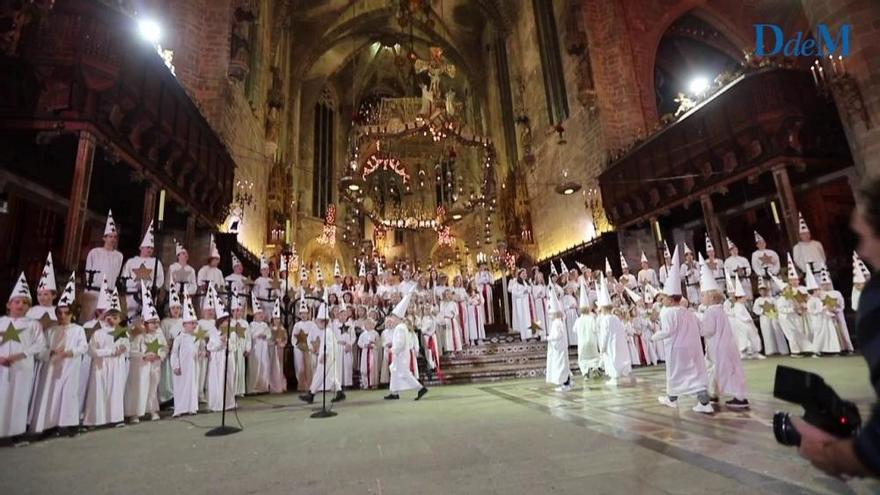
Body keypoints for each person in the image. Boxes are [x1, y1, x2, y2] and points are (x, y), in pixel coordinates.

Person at [792, 178, 880, 478]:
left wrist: (828, 454)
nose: (863, 252)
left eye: (866, 237)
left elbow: (875, 450)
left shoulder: (876, 298)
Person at [653, 247, 714, 414]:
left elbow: (667, 331)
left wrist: (654, 337)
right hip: (693, 348)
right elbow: (701, 328)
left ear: (671, 299)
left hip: (678, 349)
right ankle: (701, 401)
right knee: (694, 373)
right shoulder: (688, 312)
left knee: (676, 374)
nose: (662, 300)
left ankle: (674, 399)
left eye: (664, 297)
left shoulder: (668, 312)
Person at [29, 273, 87, 436]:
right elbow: (41, 349)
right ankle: (49, 424)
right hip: (53, 368)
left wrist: (71, 352)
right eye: (59, 313)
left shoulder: (78, 330)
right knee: (51, 395)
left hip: (70, 367)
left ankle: (69, 424)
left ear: (72, 314)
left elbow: (83, 347)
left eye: (66, 313)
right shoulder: (51, 331)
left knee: (69, 394)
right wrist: (51, 352)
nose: (62, 316)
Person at [699, 263, 749, 410]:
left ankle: (739, 397)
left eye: (703, 295)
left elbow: (708, 330)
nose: (701, 298)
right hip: (726, 344)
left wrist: (699, 327)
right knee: (718, 370)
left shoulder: (710, 312)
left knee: (726, 371)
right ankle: (713, 393)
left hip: (719, 347)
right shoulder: (720, 310)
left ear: (711, 297)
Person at [82, 286, 128, 428]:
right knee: (98, 391)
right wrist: (109, 352)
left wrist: (122, 350)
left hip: (116, 366)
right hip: (101, 366)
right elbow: (91, 350)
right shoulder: (98, 333)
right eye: (108, 316)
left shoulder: (122, 333)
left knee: (115, 390)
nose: (111, 320)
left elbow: (126, 349)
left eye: (115, 317)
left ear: (120, 319)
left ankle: (115, 418)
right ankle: (95, 420)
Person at [125, 282, 167, 423]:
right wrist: (143, 356)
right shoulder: (139, 335)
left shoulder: (159, 334)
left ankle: (152, 410)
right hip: (140, 367)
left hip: (154, 366)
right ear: (144, 322)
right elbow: (132, 351)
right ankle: (135, 413)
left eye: (156, 321)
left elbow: (164, 348)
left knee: (152, 388)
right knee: (138, 388)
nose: (155, 324)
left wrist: (158, 355)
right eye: (152, 322)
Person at [385, 289, 428, 400]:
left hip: (401, 355)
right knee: (394, 371)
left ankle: (420, 388)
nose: (392, 319)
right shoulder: (401, 327)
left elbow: (400, 343)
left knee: (405, 373)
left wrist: (393, 350)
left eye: (393, 317)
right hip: (401, 355)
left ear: (397, 318)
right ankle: (394, 392)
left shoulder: (400, 328)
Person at [82, 210, 124, 323]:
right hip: (93, 292)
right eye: (110, 236)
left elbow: (116, 273)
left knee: (105, 322)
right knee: (89, 320)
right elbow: (88, 271)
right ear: (104, 238)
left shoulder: (119, 256)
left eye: (115, 237)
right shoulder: (94, 252)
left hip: (109, 293)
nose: (112, 239)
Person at [121, 220, 165, 319]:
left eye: (151, 248)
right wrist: (133, 284)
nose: (149, 250)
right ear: (141, 247)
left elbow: (160, 278)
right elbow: (124, 277)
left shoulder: (156, 262)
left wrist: (153, 287)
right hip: (132, 293)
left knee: (147, 316)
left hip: (149, 293)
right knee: (132, 316)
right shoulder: (131, 262)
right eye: (147, 247)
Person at [171, 294, 201, 417]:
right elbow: (174, 352)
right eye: (191, 323)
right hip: (181, 368)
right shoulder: (179, 338)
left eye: (195, 323)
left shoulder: (196, 338)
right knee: (181, 387)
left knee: (192, 385)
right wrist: (175, 365)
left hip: (192, 366)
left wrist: (200, 353)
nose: (194, 325)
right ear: (184, 325)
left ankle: (191, 407)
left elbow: (196, 350)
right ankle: (179, 409)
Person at [544, 287, 572, 392]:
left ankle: (564, 383)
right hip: (558, 347)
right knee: (562, 363)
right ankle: (566, 381)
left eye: (550, 314)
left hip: (559, 347)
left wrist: (548, 338)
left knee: (561, 364)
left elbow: (558, 336)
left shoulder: (556, 323)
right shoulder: (557, 322)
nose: (549, 316)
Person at [752, 278, 789, 356]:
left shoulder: (772, 298)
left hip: (773, 317)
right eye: (761, 290)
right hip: (764, 318)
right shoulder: (758, 300)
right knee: (767, 333)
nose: (763, 292)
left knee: (777, 332)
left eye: (764, 290)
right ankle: (770, 351)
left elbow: (777, 307)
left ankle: (782, 350)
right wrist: (763, 311)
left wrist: (773, 310)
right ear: (759, 292)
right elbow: (755, 309)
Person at [573, 282, 600, 379]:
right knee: (594, 356)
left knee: (583, 358)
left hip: (582, 342)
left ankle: (585, 372)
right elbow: (595, 329)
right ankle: (595, 368)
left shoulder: (578, 320)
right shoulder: (591, 318)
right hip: (592, 341)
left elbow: (574, 330)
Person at [246, 291, 271, 394]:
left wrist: (264, 335)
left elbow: (269, 334)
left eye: (261, 313)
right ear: (254, 315)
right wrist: (256, 336)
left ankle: (263, 387)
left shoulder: (265, 325)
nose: (260, 315)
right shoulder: (251, 325)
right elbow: (249, 335)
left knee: (264, 366)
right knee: (255, 367)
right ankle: (253, 388)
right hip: (255, 348)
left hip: (263, 348)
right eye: (258, 314)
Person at [289, 294, 314, 392]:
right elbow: (294, 338)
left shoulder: (311, 324)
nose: (303, 315)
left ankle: (309, 384)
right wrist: (297, 346)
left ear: (308, 314)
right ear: (299, 315)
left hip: (308, 348)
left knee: (309, 365)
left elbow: (313, 336)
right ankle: (301, 384)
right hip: (299, 348)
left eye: (305, 313)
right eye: (302, 313)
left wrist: (310, 345)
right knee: (300, 365)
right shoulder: (297, 325)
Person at [26, 252, 57, 329]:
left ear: (54, 296)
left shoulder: (58, 312)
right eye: (39, 294)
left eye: (45, 294)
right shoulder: (31, 311)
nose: (41, 297)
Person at [793, 212, 827, 277]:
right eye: (804, 234)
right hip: (808, 274)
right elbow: (797, 260)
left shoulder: (817, 244)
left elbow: (823, 256)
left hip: (822, 272)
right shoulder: (797, 247)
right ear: (800, 236)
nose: (806, 235)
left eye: (807, 233)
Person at [508, 269, 533, 341]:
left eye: (525, 273)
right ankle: (523, 336)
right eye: (522, 273)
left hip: (526, 304)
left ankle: (528, 335)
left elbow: (530, 290)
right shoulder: (516, 284)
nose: (524, 275)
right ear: (519, 275)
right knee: (522, 320)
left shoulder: (526, 283)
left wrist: (528, 289)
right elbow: (514, 293)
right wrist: (523, 292)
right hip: (520, 304)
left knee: (527, 320)